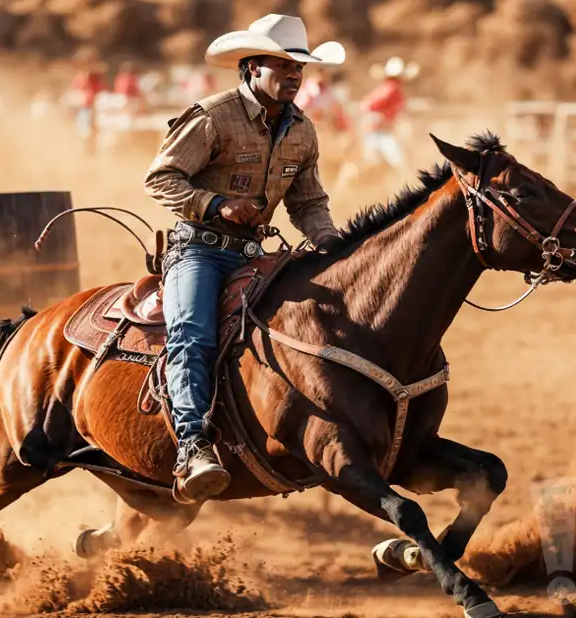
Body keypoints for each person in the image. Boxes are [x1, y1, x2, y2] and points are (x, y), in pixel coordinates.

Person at [143, 13, 345, 503]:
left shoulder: (302, 130)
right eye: (282, 65)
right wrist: (216, 205)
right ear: (251, 67)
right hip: (199, 251)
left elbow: (308, 202)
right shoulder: (213, 116)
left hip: (256, 255)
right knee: (191, 332)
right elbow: (160, 179)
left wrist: (331, 245)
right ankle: (193, 444)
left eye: (299, 67)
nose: (294, 75)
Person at [359, 56, 418, 171]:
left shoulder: (384, 89)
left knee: (373, 164)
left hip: (374, 131)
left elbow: (366, 106)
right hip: (381, 133)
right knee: (400, 163)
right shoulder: (393, 90)